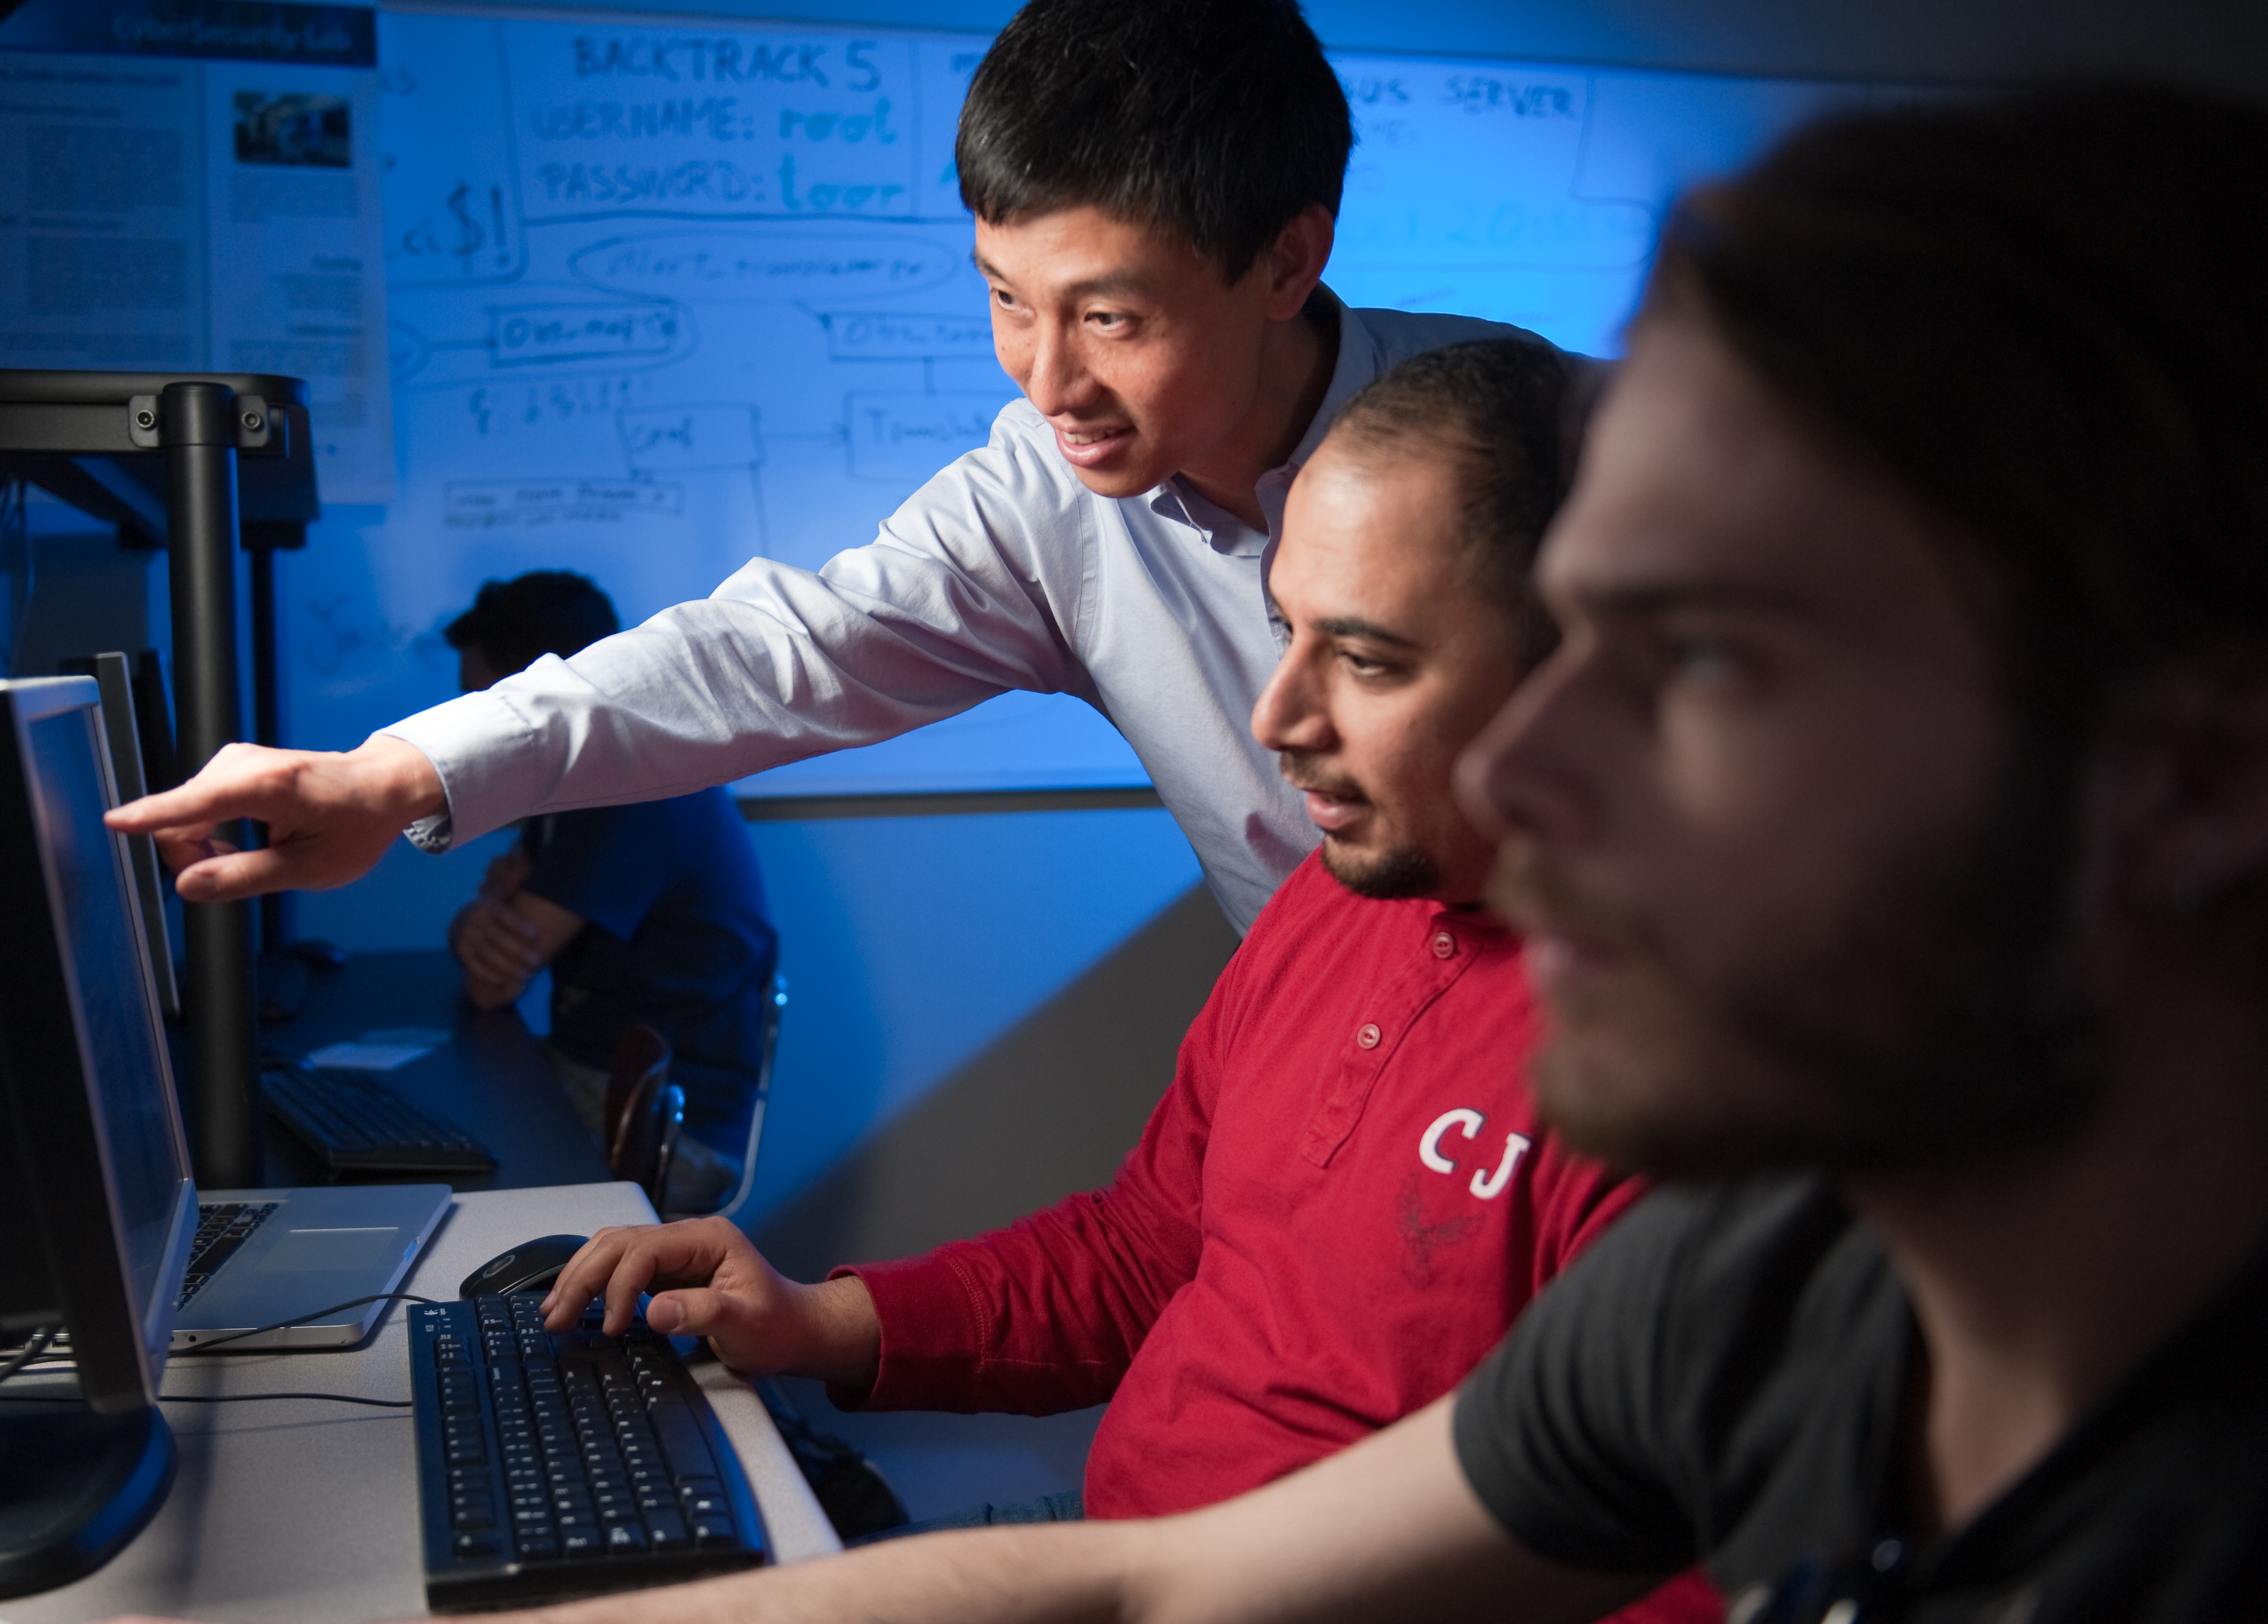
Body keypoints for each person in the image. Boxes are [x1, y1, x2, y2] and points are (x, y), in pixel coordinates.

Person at [134, 82, 2253, 1624]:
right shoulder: (1760, 1299)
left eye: (1692, 656)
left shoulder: (1729, 1200)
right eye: (1005, 300)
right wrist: (407, 775)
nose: (1524, 763)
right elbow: (1155, 1566)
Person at [529, 345, 1709, 1618]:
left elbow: (1674, 1564)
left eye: (1366, 661)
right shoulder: (1336, 898)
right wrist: (817, 1321)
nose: (1274, 719)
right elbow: (1149, 1247)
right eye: (1284, 631)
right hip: (1119, 1543)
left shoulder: (1687, 1070)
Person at [107, 0, 1559, 938]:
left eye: (1110, 318)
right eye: (1005, 297)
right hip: (1345, 1057)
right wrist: (392, 773)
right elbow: (763, 654)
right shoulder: (1046, 497)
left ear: (1287, 262)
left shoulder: (1566, 444)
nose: (1046, 380)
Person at [443, 571, 779, 1214]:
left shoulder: (631, 790)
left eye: (479, 702)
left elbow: (494, 979)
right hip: (605, 1073)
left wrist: (480, 919)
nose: (460, 727)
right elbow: (500, 927)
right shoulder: (579, 778)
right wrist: (476, 922)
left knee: (448, 1150)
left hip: (673, 1128)